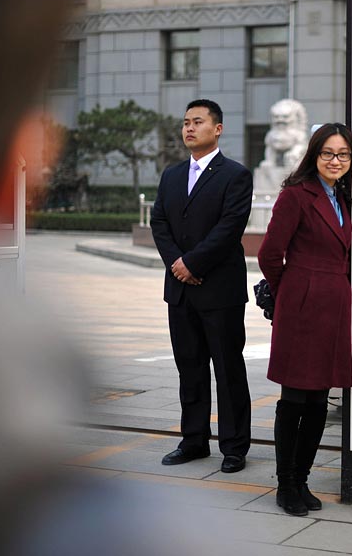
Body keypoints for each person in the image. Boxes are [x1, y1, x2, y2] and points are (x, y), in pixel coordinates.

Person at [257, 123, 352, 516]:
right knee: (295, 397)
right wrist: (290, 294)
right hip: (302, 304)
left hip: (334, 305)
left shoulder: (344, 196)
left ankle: (302, 478)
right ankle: (285, 484)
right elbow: (269, 254)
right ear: (314, 154)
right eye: (328, 153)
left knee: (319, 398)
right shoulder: (296, 194)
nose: (336, 161)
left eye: (344, 155)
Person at [150, 99, 254, 474]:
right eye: (185, 122)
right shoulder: (172, 174)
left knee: (228, 369)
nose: (189, 128)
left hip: (219, 290)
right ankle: (194, 440)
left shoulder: (236, 175)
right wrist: (177, 265)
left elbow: (230, 228)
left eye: (198, 121)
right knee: (189, 368)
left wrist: (192, 263)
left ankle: (234, 446)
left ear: (218, 128)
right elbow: (159, 221)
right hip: (180, 290)